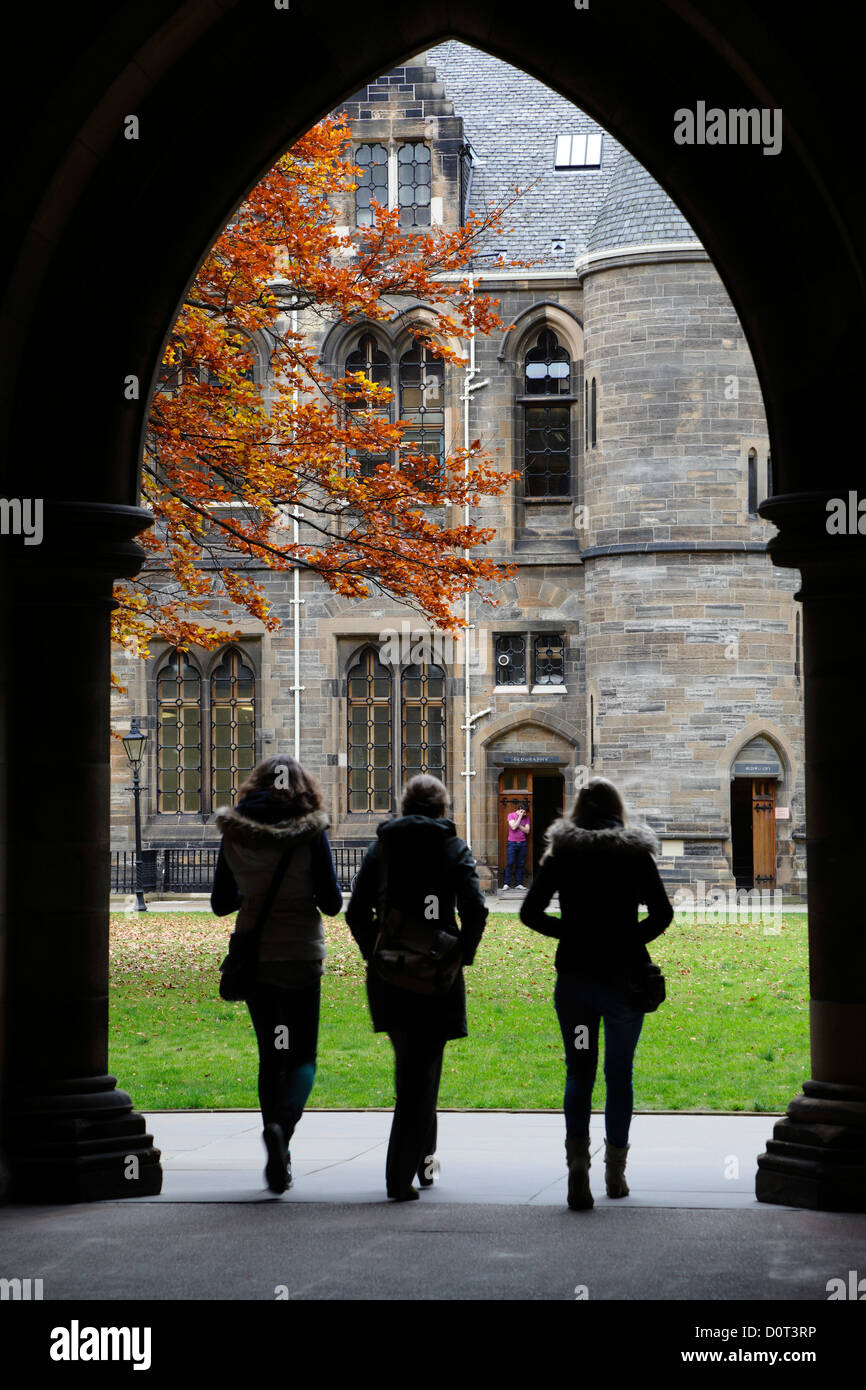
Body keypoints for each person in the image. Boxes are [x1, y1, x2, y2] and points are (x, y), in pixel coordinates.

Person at [519, 776, 673, 1210]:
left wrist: (570, 933)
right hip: (624, 982)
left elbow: (531, 913)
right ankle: (615, 1174)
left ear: (579, 809)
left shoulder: (564, 853)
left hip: (577, 984)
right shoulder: (634, 854)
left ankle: (577, 1170)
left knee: (579, 1071)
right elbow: (663, 913)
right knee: (619, 1074)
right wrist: (628, 937)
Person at [346, 775, 488, 1201]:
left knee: (416, 1069)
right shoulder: (451, 848)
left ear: (405, 807)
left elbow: (355, 912)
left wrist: (377, 951)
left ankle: (425, 1162)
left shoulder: (383, 848)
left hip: (390, 975)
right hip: (436, 974)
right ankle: (400, 1175)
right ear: (442, 809)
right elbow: (476, 910)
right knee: (421, 1075)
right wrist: (462, 952)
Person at [211, 755, 343, 1194]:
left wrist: (254, 887)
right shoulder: (310, 832)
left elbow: (220, 902)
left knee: (272, 1054)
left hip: (258, 955)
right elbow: (330, 902)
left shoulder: (234, 832)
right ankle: (283, 1129)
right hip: (301, 954)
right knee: (303, 1056)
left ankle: (277, 1145)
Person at [504, 799, 531, 890]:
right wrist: (519, 817)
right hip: (512, 843)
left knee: (520, 864)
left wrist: (518, 824)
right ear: (519, 810)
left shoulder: (526, 817)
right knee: (510, 862)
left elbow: (527, 831)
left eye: (525, 813)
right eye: (523, 812)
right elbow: (513, 827)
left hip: (522, 843)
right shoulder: (511, 815)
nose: (524, 814)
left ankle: (518, 884)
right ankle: (506, 884)